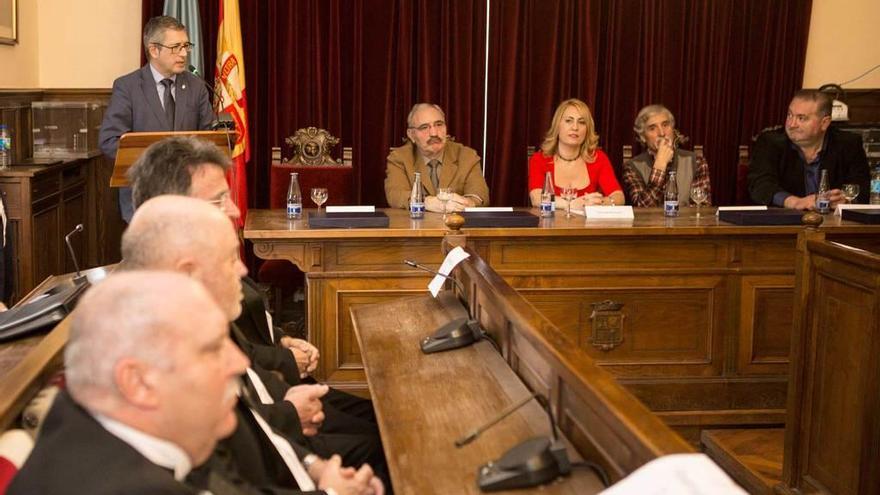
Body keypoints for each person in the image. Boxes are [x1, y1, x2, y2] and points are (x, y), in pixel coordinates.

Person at [122, 195, 386, 494]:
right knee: (387, 445)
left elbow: (253, 427)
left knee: (386, 429)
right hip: (285, 437)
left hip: (290, 436)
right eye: (230, 259)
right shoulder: (168, 353)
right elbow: (235, 474)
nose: (243, 271)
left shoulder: (193, 320)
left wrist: (315, 466)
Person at [8, 271, 250, 494]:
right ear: (138, 383)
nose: (240, 363)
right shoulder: (130, 487)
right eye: (213, 349)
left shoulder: (87, 433)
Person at [99, 15, 214, 223]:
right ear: (154, 50)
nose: (183, 54)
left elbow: (209, 138)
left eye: (186, 46)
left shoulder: (197, 86)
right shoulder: (128, 87)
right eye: (175, 47)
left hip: (188, 198)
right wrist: (155, 166)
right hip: (144, 199)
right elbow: (109, 141)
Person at [748, 89, 870, 210]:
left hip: (833, 222)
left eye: (801, 118)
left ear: (824, 123)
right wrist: (796, 202)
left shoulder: (848, 144)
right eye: (790, 115)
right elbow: (760, 185)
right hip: (784, 221)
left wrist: (846, 200)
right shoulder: (770, 142)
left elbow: (861, 188)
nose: (791, 124)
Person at [385, 103, 490, 212]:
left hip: (455, 225)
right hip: (415, 226)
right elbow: (395, 195)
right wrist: (426, 202)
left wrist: (468, 203)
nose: (434, 133)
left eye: (439, 124)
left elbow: (480, 195)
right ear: (411, 135)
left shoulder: (466, 156)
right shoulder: (399, 158)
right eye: (424, 127)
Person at [528, 98, 624, 209]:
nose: (575, 127)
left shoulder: (598, 158)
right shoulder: (540, 159)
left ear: (587, 129)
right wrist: (571, 204)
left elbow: (619, 197)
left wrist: (600, 202)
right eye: (569, 121)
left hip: (588, 226)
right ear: (557, 126)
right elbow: (536, 198)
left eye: (582, 122)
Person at [621, 104, 712, 207]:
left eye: (665, 125)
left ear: (673, 129)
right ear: (643, 137)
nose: (661, 133)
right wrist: (660, 166)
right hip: (649, 223)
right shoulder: (632, 166)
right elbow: (643, 207)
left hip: (686, 223)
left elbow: (702, 207)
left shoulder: (696, 161)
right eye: (652, 128)